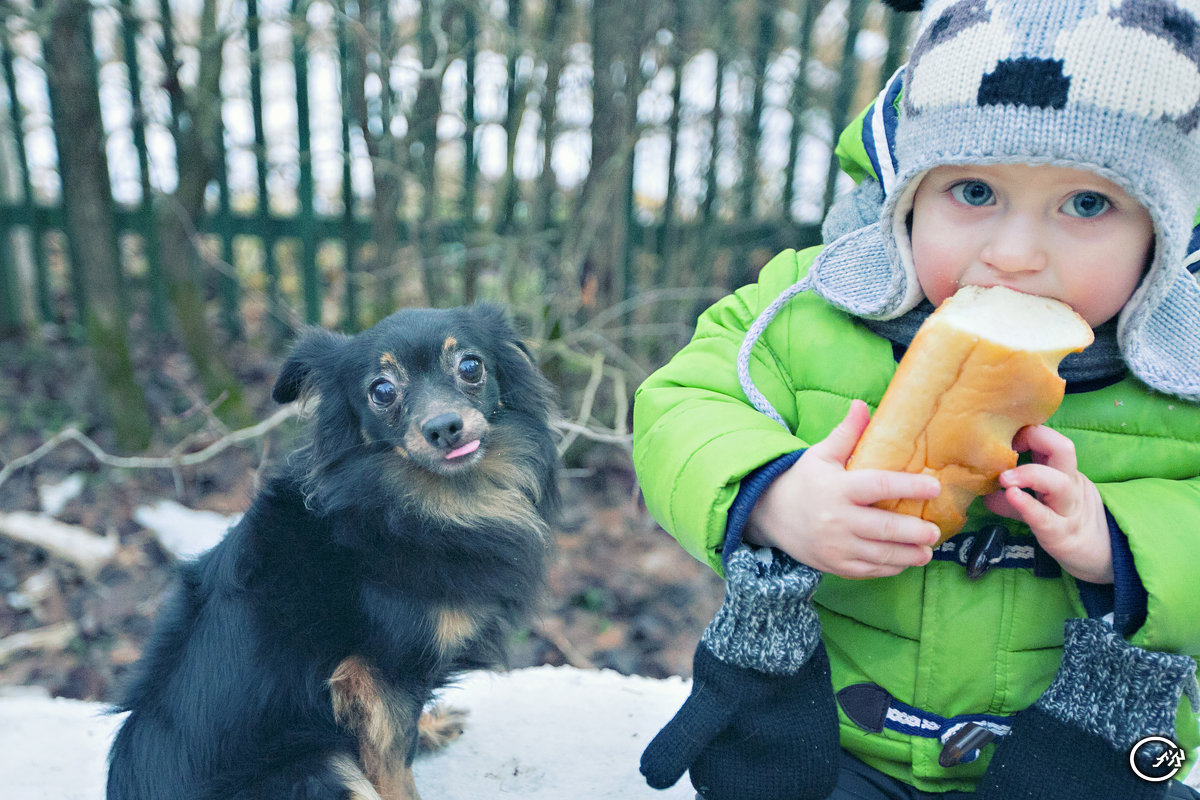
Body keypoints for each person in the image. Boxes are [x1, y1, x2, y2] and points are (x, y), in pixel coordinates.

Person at [632, 1, 1200, 798]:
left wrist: (1122, 546)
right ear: (908, 196)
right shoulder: (812, 307)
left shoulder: (1187, 364)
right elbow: (680, 403)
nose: (1013, 254)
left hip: (1108, 755)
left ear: (1163, 231)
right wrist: (771, 497)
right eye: (973, 191)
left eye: (1087, 205)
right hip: (838, 738)